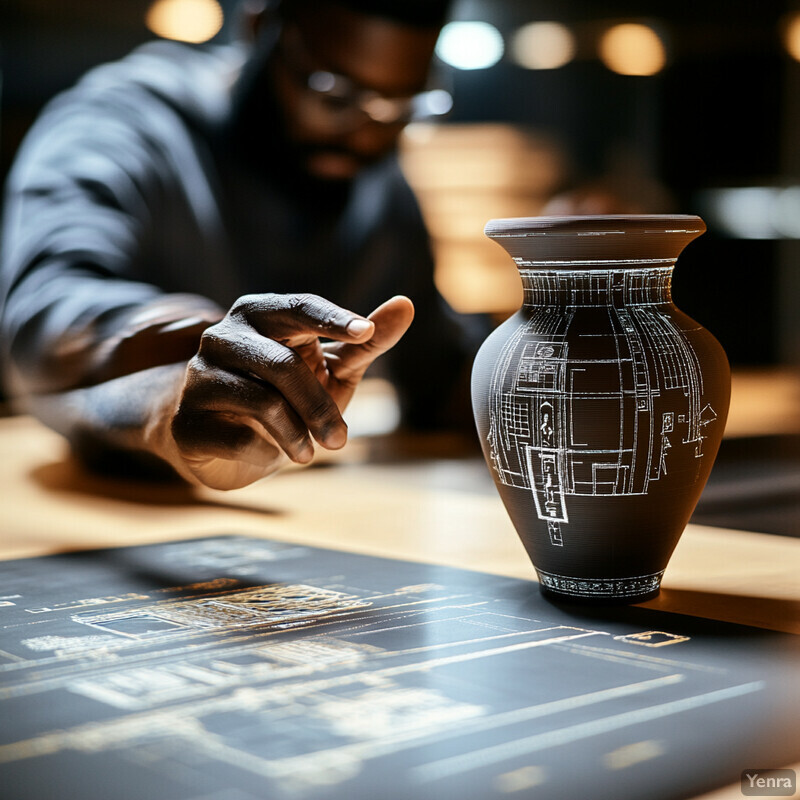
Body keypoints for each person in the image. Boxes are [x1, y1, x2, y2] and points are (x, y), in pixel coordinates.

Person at [0, 0, 480, 490]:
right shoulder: (122, 123)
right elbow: (47, 308)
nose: (364, 135)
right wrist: (194, 358)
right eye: (334, 94)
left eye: (400, 108)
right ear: (259, 27)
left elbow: (437, 372)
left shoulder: (379, 180)